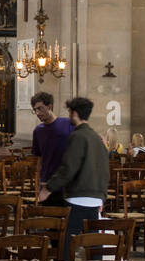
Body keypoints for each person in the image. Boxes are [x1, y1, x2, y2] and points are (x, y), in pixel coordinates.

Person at [39, 97, 108, 246]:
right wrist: (102, 196)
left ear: (75, 113)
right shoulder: (97, 138)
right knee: (94, 245)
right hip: (95, 200)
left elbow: (68, 168)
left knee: (65, 244)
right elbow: (104, 169)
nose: (69, 115)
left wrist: (48, 188)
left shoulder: (77, 136)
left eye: (70, 112)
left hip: (78, 197)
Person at [30, 91, 73, 207]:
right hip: (46, 185)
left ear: (49, 107)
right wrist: (38, 185)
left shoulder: (68, 124)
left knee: (69, 223)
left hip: (68, 185)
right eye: (35, 110)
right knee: (49, 222)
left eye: (40, 108)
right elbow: (39, 160)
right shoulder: (38, 131)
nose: (37, 113)